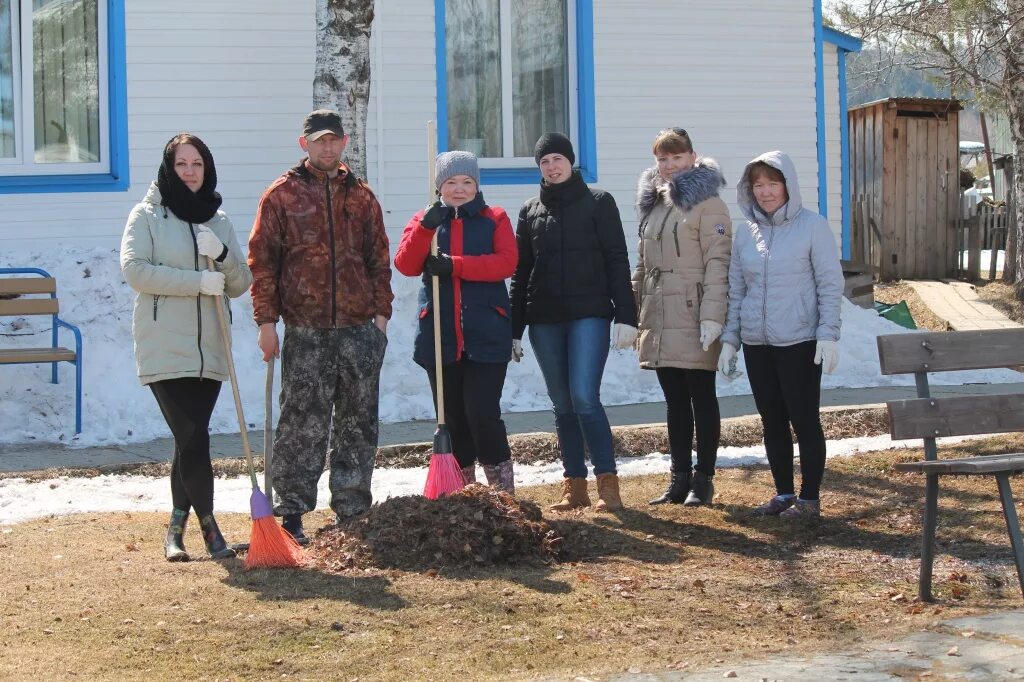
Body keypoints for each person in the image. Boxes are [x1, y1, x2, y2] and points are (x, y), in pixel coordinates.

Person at [248, 109, 394, 543]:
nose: (327, 148)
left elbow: (379, 259)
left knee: (357, 422)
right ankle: (291, 511)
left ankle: (351, 510)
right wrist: (266, 322)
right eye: (319, 141)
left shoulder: (362, 196)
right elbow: (262, 263)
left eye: (334, 140)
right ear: (304, 144)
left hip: (358, 329)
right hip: (306, 331)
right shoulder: (281, 196)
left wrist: (381, 318)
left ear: (344, 143)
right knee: (301, 422)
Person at [121, 133, 253, 561]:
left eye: (197, 164)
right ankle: (210, 528)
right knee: (193, 436)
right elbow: (136, 271)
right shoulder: (147, 216)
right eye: (181, 164)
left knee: (189, 442)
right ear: (168, 168)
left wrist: (224, 258)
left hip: (210, 347)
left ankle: (174, 529)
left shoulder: (219, 220)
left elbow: (239, 284)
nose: (190, 172)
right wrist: (196, 283)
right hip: (164, 344)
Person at [509, 132, 637, 512]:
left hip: (589, 315)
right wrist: (514, 330)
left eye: (557, 159)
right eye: (544, 161)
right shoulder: (530, 210)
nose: (552, 166)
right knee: (562, 403)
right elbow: (521, 273)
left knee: (584, 397)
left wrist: (626, 315)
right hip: (544, 319)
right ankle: (574, 485)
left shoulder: (599, 203)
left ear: (570, 161)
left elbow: (617, 259)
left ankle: (608, 484)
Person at [719, 150, 843, 519]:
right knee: (771, 418)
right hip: (759, 343)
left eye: (772, 183)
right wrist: (731, 340)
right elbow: (737, 289)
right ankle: (784, 493)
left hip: (800, 340)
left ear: (787, 185)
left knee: (804, 418)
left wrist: (828, 334)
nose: (766, 192)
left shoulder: (813, 226)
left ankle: (809, 499)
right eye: (758, 185)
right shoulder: (747, 233)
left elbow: (829, 284)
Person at [394, 151, 518, 491]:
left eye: (467, 182)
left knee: (482, 414)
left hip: (487, 334)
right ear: (439, 186)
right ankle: (463, 493)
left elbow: (506, 263)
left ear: (477, 185)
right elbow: (405, 264)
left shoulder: (495, 218)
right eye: (451, 182)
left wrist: (456, 265)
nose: (459, 189)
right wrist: (426, 228)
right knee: (453, 420)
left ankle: (501, 492)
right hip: (440, 336)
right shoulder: (425, 220)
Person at [633, 128, 732, 507]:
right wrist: (633, 311)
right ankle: (678, 478)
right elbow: (642, 263)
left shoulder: (709, 204)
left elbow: (718, 262)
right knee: (674, 399)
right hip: (659, 314)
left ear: (692, 157)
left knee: (700, 396)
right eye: (662, 159)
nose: (669, 165)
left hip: (692, 312)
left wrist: (713, 316)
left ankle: (704, 478)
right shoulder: (656, 204)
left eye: (676, 157)